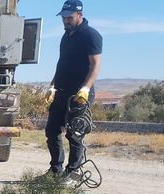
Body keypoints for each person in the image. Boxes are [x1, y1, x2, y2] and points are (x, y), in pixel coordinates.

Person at [44, 0, 102, 178]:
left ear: (79, 15)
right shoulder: (66, 36)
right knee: (52, 131)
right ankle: (55, 170)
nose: (65, 21)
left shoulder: (90, 35)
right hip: (61, 91)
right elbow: (62, 63)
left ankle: (73, 172)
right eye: (63, 17)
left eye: (69, 17)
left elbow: (96, 64)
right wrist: (52, 86)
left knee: (75, 134)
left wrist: (86, 88)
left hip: (79, 94)